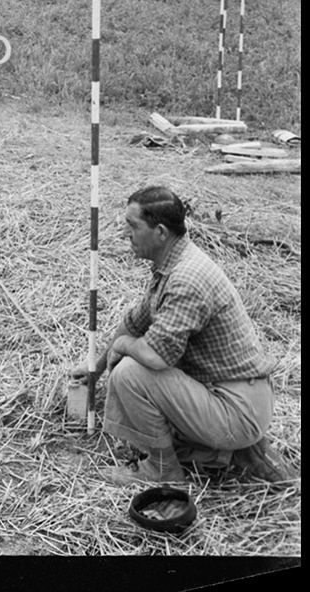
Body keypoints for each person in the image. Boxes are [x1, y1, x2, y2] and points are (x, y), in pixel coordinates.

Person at [74, 186, 288, 486]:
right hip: (230, 394)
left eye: (133, 226)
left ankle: (164, 470)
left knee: (130, 374)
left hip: (236, 406)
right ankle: (232, 454)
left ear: (160, 232)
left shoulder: (186, 278)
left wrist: (121, 348)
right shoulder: (173, 262)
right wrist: (97, 366)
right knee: (134, 380)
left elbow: (155, 357)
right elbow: (134, 323)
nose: (125, 234)